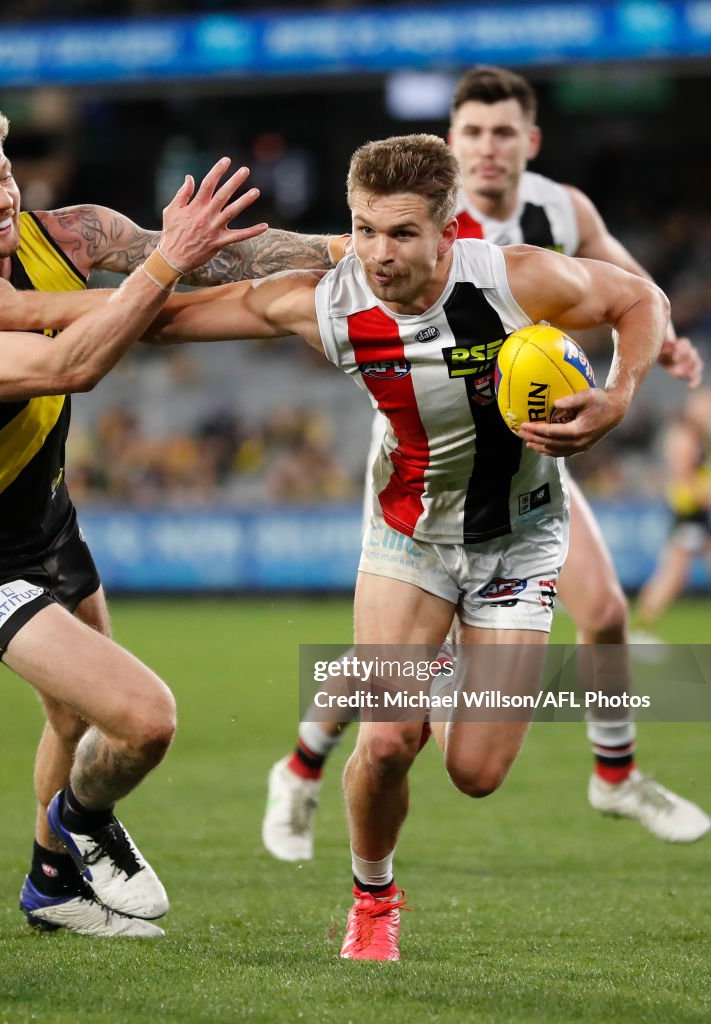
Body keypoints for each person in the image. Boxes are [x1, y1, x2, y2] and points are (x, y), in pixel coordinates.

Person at [138, 132, 670, 960]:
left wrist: (616, 394)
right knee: (388, 739)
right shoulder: (332, 298)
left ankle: (429, 674)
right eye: (363, 230)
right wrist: (13, 313)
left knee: (476, 774)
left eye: (399, 233)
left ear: (447, 227)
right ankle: (373, 902)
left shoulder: (513, 276)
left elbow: (640, 299)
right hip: (409, 534)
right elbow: (162, 323)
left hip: (518, 542)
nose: (377, 254)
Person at [0, 97, 343, 941]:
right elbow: (70, 364)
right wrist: (166, 264)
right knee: (142, 720)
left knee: (71, 716)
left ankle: (51, 884)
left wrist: (371, 250)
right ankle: (87, 826)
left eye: (8, 174)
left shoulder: (68, 236)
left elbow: (227, 260)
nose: (5, 197)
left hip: (49, 523)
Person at [262, 65, 709, 860]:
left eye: (502, 133)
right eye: (470, 133)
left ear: (528, 142)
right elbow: (331, 258)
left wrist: (653, 346)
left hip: (529, 448)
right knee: (391, 676)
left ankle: (614, 774)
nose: (487, 148)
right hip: (425, 455)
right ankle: (301, 765)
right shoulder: (416, 219)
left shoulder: (560, 210)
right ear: (450, 144)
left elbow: (624, 280)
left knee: (603, 611)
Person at [635, 388, 711, 634]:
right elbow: (686, 482)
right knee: (673, 575)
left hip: (694, 513)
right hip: (690, 513)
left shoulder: (697, 437)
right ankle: (640, 630)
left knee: (674, 574)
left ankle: (640, 629)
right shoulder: (684, 438)